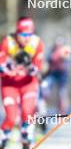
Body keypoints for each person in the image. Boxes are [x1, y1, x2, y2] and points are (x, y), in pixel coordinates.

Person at [0, 17, 44, 149]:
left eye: (29, 34)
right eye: (23, 34)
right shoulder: (8, 42)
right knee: (11, 117)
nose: (27, 38)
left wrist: (30, 67)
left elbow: (38, 68)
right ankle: (3, 138)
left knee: (27, 112)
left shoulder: (36, 43)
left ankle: (26, 139)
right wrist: (8, 69)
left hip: (28, 84)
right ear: (17, 32)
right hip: (10, 85)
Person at [40, 37, 71, 113]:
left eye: (60, 44)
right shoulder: (52, 51)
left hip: (62, 74)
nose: (58, 45)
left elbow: (68, 60)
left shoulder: (66, 50)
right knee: (45, 89)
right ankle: (42, 108)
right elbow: (48, 61)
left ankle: (62, 111)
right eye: (57, 44)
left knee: (62, 93)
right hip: (53, 73)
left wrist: (64, 57)